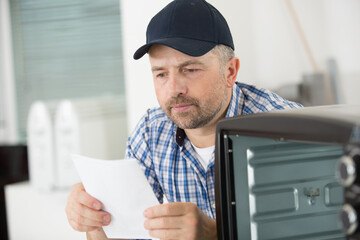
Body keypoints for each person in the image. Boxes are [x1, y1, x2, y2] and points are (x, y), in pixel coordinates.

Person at [65, 0, 302, 239]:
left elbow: (317, 230)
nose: (173, 89)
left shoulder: (285, 129)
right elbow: (128, 235)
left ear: (230, 72)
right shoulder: (151, 132)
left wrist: (217, 234)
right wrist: (95, 222)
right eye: (161, 74)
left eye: (190, 70)